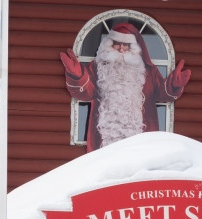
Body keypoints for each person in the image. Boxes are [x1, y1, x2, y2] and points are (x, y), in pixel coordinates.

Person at [60, 21, 192, 151]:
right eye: (117, 44)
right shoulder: (98, 68)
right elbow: (85, 92)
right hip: (105, 141)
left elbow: (162, 94)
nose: (122, 48)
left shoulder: (148, 71)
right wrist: (76, 77)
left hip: (140, 144)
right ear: (109, 45)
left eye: (127, 45)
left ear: (134, 48)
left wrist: (173, 85)